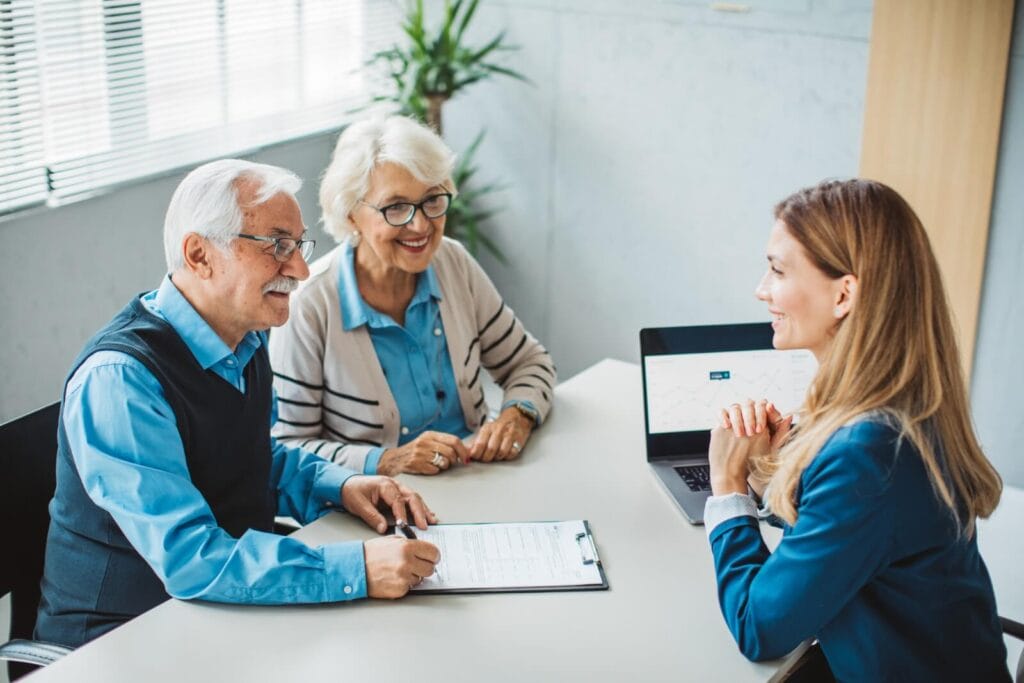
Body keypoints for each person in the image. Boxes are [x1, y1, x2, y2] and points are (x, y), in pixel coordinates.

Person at [35, 159, 442, 650]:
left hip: (219, 618)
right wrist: (357, 568)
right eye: (277, 246)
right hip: (119, 644)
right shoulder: (120, 382)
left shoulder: (243, 338)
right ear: (200, 255)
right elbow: (191, 560)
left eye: (297, 245)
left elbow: (248, 456)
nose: (299, 269)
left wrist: (343, 485)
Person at [704, 179, 1010, 681]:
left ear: (844, 294)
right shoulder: (905, 404)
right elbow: (863, 532)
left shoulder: (867, 451)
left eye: (778, 271)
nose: (762, 290)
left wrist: (728, 488)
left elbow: (759, 629)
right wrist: (775, 482)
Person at [268, 116, 556, 476]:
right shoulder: (311, 305)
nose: (420, 225)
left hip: (478, 481)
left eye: (432, 200)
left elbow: (529, 362)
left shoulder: (453, 263)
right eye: (396, 207)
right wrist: (388, 461)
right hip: (377, 511)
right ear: (352, 214)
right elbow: (287, 449)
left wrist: (517, 414)